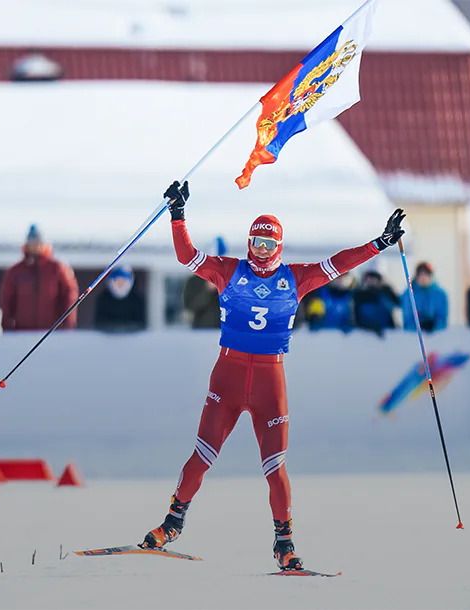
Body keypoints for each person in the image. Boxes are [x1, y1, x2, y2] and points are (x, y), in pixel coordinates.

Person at [140, 180, 405, 571]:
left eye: (268, 244)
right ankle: (172, 523)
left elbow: (341, 263)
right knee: (201, 456)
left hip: (269, 382)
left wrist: (379, 244)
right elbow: (187, 257)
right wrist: (178, 215)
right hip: (227, 377)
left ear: (279, 246)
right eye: (255, 242)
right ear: (248, 243)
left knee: (275, 468)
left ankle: (285, 544)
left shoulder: (296, 278)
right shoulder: (229, 271)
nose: (261, 250)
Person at [0, 225, 79, 332]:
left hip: (52, 332)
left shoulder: (57, 268)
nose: (35, 247)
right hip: (23, 333)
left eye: (38, 243)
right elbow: (7, 299)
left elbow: (70, 294)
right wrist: (6, 326)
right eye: (32, 243)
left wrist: (68, 323)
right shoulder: (15, 271)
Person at [94, 265, 146, 331]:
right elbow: (99, 325)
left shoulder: (138, 300)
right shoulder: (103, 299)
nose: (120, 284)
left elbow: (141, 325)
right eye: (117, 280)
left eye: (123, 281)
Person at [402, 262, 448, 333]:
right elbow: (407, 318)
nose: (423, 278)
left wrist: (434, 326)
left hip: (436, 336)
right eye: (420, 275)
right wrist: (419, 326)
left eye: (426, 275)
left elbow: (442, 318)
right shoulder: (409, 294)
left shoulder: (440, 294)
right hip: (414, 336)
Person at [352, 270, 399, 337]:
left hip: (387, 333)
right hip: (364, 334)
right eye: (368, 279)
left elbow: (397, 306)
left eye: (373, 279)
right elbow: (355, 317)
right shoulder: (359, 296)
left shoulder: (386, 293)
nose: (370, 281)